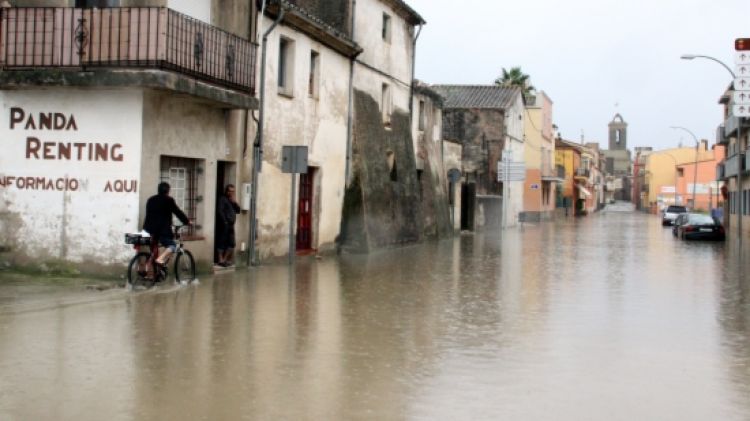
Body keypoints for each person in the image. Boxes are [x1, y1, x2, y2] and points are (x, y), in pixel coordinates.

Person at [143, 182, 191, 266]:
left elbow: (150, 215)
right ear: (168, 191)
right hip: (161, 231)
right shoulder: (168, 200)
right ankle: (160, 259)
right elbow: (177, 212)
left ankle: (150, 271)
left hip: (148, 230)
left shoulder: (151, 199)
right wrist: (187, 221)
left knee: (153, 251)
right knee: (172, 246)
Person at [216, 184, 241, 267]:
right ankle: (220, 260)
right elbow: (220, 211)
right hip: (224, 224)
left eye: (233, 191)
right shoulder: (222, 199)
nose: (231, 193)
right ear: (226, 191)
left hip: (231, 225)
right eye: (230, 191)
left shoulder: (232, 200)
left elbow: (238, 211)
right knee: (221, 242)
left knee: (231, 243)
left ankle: (225, 259)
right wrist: (225, 222)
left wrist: (235, 202)